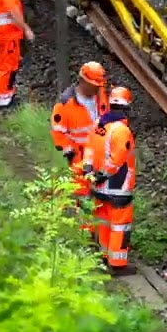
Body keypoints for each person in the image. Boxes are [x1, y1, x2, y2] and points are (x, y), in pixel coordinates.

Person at [83, 86, 137, 275]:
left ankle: (105, 257)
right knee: (120, 226)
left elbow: (89, 148)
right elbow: (117, 159)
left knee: (104, 222)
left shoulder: (98, 124)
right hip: (118, 186)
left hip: (99, 187)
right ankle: (117, 264)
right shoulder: (122, 131)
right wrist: (104, 174)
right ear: (126, 107)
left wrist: (89, 169)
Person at [51, 62, 110, 220]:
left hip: (101, 155)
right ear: (83, 81)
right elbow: (58, 131)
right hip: (80, 157)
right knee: (83, 195)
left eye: (99, 86)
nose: (97, 89)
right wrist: (68, 150)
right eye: (94, 85)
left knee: (102, 193)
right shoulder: (65, 103)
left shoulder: (101, 95)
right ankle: (85, 228)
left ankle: (101, 224)